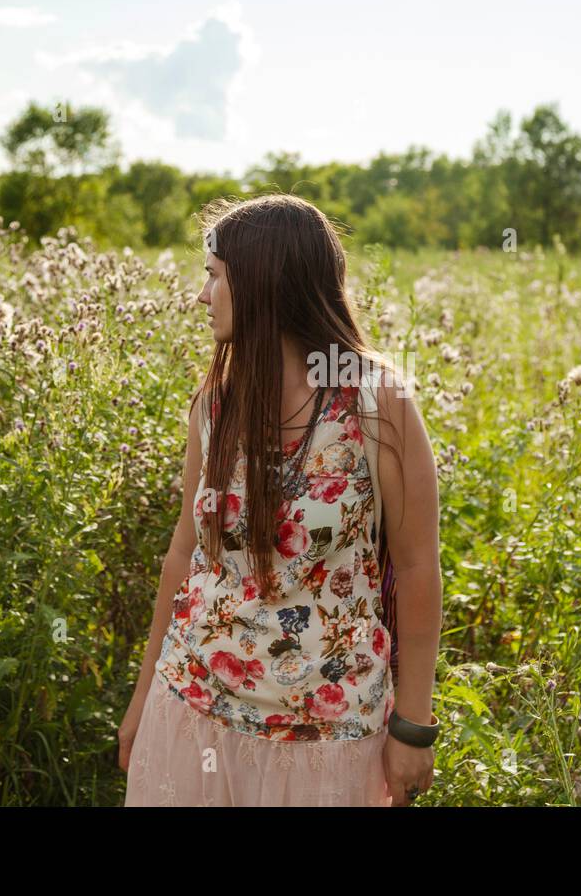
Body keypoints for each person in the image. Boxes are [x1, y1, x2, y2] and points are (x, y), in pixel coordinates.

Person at [119, 193, 442, 806]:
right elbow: (183, 558)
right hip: (193, 708)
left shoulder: (377, 404)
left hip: (330, 736)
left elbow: (420, 566)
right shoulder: (216, 404)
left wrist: (413, 728)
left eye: (214, 277)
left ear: (264, 284)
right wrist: (140, 702)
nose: (200, 295)